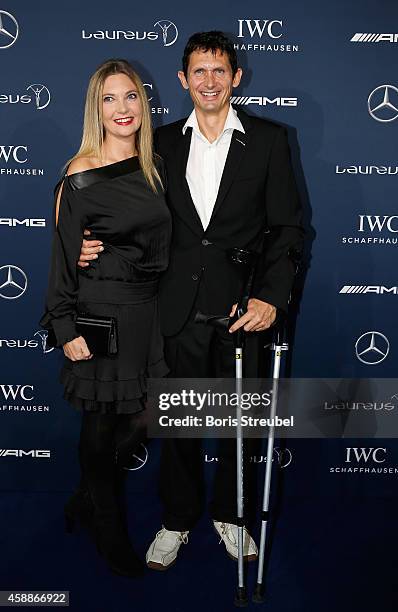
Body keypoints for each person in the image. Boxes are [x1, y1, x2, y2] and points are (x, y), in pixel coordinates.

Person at [78, 32, 303, 570]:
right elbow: (128, 213)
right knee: (178, 423)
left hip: (243, 311)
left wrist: (271, 296)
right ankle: (177, 519)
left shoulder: (270, 140)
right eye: (198, 72)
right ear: (183, 81)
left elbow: (288, 229)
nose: (209, 81)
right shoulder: (159, 143)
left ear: (236, 77)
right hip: (173, 309)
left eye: (219, 71)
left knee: (237, 424)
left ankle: (231, 514)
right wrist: (86, 238)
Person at [40, 58, 171, 577]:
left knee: (149, 414)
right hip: (101, 313)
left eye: (131, 96)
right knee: (99, 424)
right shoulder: (79, 174)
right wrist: (64, 326)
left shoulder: (153, 166)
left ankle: (84, 499)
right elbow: (62, 257)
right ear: (96, 108)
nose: (123, 108)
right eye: (110, 99)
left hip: (148, 313)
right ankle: (107, 523)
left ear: (144, 103)